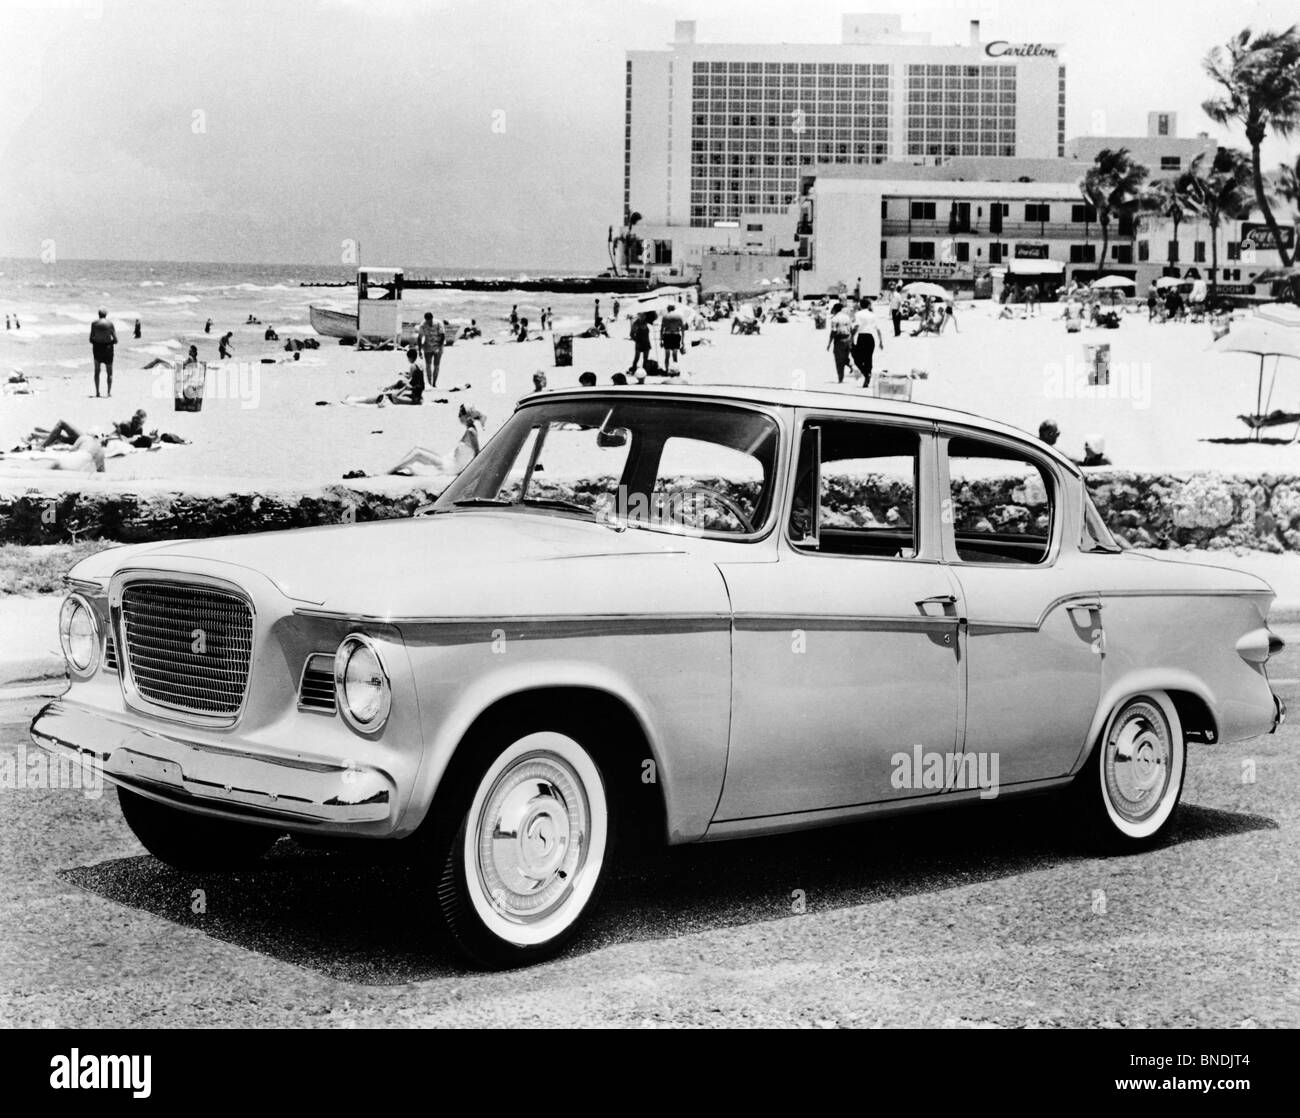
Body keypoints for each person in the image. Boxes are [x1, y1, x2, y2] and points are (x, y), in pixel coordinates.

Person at [344, 347, 424, 406]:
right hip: (410, 392)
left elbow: (409, 379)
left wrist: (405, 387)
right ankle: (356, 399)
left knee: (376, 398)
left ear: (410, 357)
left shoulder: (413, 366)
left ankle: (355, 400)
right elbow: (416, 381)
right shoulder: (420, 365)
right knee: (399, 383)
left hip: (392, 397)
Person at [850, 297, 883, 388]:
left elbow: (856, 326)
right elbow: (878, 329)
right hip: (870, 337)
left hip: (861, 337)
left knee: (857, 359)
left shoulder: (858, 314)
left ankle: (866, 375)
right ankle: (867, 375)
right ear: (869, 305)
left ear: (860, 305)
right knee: (869, 358)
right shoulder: (873, 315)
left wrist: (851, 337)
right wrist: (881, 341)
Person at [89, 308, 117, 397]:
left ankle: (97, 392)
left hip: (97, 349)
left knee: (97, 371)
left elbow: (91, 339)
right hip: (108, 350)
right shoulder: (110, 324)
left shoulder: (94, 324)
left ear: (98, 314)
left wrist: (97, 343)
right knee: (109, 372)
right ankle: (108, 393)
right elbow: (116, 340)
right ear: (106, 315)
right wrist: (108, 344)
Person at [416, 312, 445, 389]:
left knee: (436, 365)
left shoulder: (438, 323)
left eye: (430, 321)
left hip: (438, 345)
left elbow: (442, 336)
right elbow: (419, 338)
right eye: (427, 321)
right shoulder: (422, 325)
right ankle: (429, 383)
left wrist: (438, 347)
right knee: (428, 366)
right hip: (427, 346)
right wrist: (419, 351)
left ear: (432, 318)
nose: (429, 322)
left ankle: (434, 383)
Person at [827, 301, 853, 383]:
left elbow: (834, 331)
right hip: (848, 338)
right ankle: (851, 365)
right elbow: (851, 329)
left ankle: (840, 378)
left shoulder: (835, 319)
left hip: (839, 339)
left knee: (839, 360)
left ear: (834, 309)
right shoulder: (847, 317)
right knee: (845, 357)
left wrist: (829, 343)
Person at [659, 303, 685, 371]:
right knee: (675, 355)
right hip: (676, 335)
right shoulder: (679, 316)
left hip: (667, 336)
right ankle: (675, 370)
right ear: (674, 309)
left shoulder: (665, 317)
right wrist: (682, 341)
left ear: (668, 309)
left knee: (667, 355)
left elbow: (662, 329)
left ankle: (667, 370)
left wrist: (661, 340)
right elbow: (682, 329)